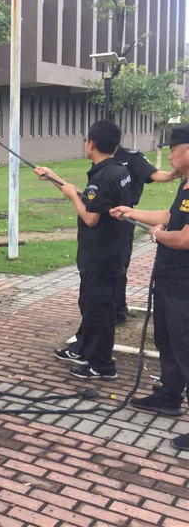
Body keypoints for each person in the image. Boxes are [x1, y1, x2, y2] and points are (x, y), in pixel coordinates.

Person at [110, 125, 189, 452]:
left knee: (185, 347)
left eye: (174, 148)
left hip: (185, 284)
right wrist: (132, 212)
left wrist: (156, 235)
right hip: (170, 279)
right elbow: (171, 216)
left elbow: (183, 238)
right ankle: (168, 396)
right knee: (167, 340)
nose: (168, 155)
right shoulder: (186, 182)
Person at [35, 120, 132, 380]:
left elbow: (91, 217)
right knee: (91, 305)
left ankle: (102, 365)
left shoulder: (102, 176)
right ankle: (83, 349)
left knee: (98, 308)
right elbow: (92, 200)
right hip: (110, 253)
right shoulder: (117, 169)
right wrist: (53, 178)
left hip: (100, 257)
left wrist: (74, 196)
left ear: (91, 143)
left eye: (86, 139)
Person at [113, 145, 179, 323]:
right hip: (105, 215)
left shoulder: (131, 158)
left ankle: (118, 310)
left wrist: (176, 171)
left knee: (118, 266)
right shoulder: (101, 158)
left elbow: (159, 175)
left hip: (124, 218)